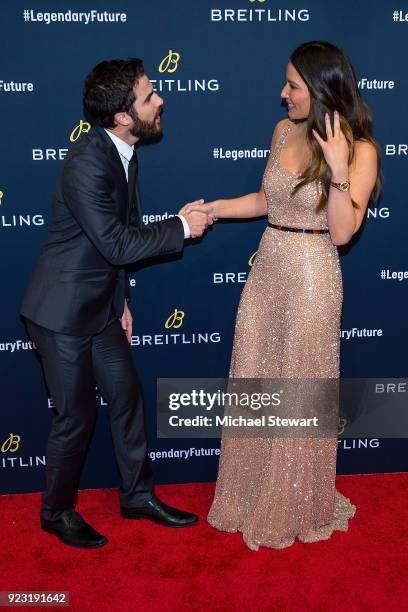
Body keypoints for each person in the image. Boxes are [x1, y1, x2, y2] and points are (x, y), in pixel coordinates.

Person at [183, 41, 380, 550]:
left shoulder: (360, 151)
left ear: (319, 90)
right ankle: (248, 493)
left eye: (292, 85)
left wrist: (338, 169)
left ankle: (293, 500)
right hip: (268, 266)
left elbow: (341, 233)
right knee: (253, 376)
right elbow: (267, 201)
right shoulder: (283, 130)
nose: (283, 93)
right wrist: (214, 210)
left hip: (313, 276)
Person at [21, 58, 213, 549]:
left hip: (101, 308)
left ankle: (136, 496)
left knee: (127, 396)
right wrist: (183, 228)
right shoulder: (87, 162)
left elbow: (115, 243)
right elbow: (117, 243)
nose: (161, 99)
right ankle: (55, 511)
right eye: (151, 96)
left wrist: (122, 297)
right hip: (61, 314)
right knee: (77, 416)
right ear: (124, 117)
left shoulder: (124, 151)